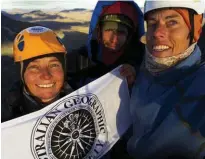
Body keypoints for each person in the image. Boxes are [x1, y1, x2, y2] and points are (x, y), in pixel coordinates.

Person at [127, 0, 205, 158]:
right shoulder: (137, 76)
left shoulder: (200, 83)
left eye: (172, 22)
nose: (157, 32)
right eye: (152, 23)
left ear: (194, 31)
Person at [1, 26, 73, 122]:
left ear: (63, 69)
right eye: (34, 67)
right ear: (22, 73)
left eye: (54, 65)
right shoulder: (6, 117)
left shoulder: (87, 93)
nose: (46, 76)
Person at [68, 0, 145, 89]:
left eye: (121, 32)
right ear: (99, 31)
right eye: (109, 30)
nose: (114, 39)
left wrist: (135, 81)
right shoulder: (79, 60)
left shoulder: (143, 61)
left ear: (129, 36)